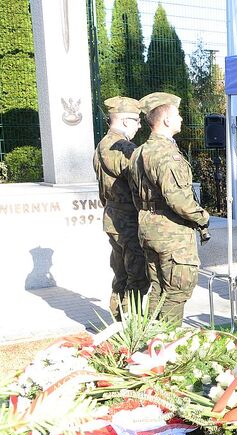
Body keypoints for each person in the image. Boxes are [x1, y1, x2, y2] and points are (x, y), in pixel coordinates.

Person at [129, 92, 210, 326]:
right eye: (177, 114)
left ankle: (149, 343)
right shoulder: (166, 153)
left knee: (158, 289)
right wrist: (202, 217)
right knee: (176, 292)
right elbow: (178, 199)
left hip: (149, 226)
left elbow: (136, 195)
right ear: (165, 119)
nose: (181, 118)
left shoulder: (139, 152)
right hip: (171, 232)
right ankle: (167, 348)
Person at [92, 96, 148, 320]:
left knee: (122, 274)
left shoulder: (102, 144)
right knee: (136, 275)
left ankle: (117, 322)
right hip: (128, 220)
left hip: (114, 215)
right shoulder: (123, 147)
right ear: (125, 121)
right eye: (136, 120)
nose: (140, 125)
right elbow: (141, 181)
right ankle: (130, 325)